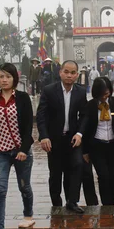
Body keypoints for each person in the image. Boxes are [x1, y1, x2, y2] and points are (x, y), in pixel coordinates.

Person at [0, 63, 35, 229]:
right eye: (1, 76)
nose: (4, 80)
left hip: (21, 152)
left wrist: (23, 150)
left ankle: (28, 216)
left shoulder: (22, 98)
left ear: (14, 79)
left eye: (7, 76)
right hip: (0, 152)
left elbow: (28, 128)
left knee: (24, 186)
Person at [36, 60, 87, 214]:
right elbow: (41, 115)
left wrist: (79, 133)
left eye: (73, 73)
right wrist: (44, 136)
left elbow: (84, 115)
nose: (69, 75)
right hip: (54, 139)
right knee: (56, 172)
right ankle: (56, 202)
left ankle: (72, 201)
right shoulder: (49, 90)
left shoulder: (80, 91)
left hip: (72, 138)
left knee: (77, 166)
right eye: (66, 72)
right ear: (60, 72)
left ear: (77, 75)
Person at [81, 77, 114, 205]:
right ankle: (106, 204)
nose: (105, 97)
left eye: (107, 93)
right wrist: (85, 151)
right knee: (103, 176)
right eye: (102, 94)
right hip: (97, 145)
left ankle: (111, 203)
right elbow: (86, 130)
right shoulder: (91, 105)